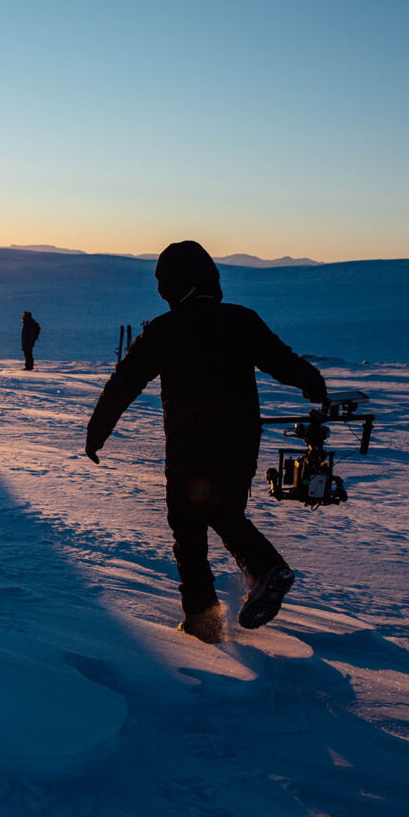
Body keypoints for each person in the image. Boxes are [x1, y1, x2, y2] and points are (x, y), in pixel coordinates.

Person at [84, 241, 327, 643]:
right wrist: (313, 384)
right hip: (241, 441)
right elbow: (283, 361)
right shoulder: (241, 320)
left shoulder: (164, 330)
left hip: (189, 447)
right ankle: (261, 572)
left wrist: (97, 433)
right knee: (225, 511)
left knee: (188, 528)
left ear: (173, 285)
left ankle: (205, 618)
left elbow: (123, 385)